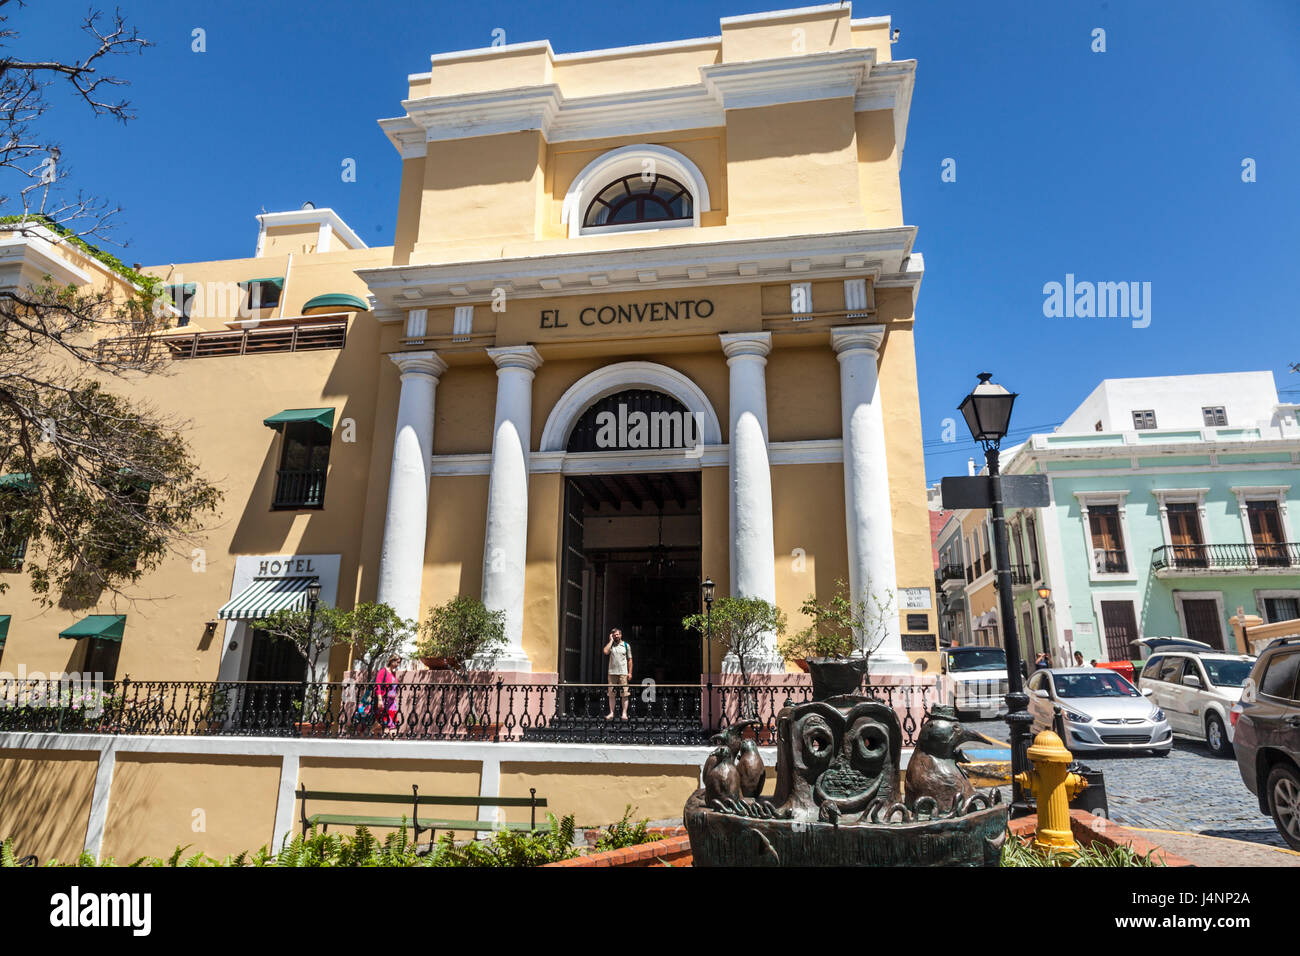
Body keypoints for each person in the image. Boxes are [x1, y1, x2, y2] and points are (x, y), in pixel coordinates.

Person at [603, 628, 633, 720]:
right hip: (612, 673)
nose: (616, 636)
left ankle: (624, 713)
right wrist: (610, 641)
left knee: (624, 694)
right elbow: (605, 651)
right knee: (611, 694)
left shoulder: (626, 645)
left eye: (617, 634)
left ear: (621, 635)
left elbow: (630, 660)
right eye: (614, 635)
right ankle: (611, 713)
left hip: (623, 673)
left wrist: (630, 672)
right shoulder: (611, 645)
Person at [375, 654, 401, 735]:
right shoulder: (383, 671)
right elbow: (377, 685)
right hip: (384, 700)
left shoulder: (393, 673)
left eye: (399, 663)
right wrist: (379, 700)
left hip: (392, 702)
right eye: (397, 662)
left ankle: (391, 738)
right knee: (385, 723)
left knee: (392, 722)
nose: (398, 664)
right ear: (392, 661)